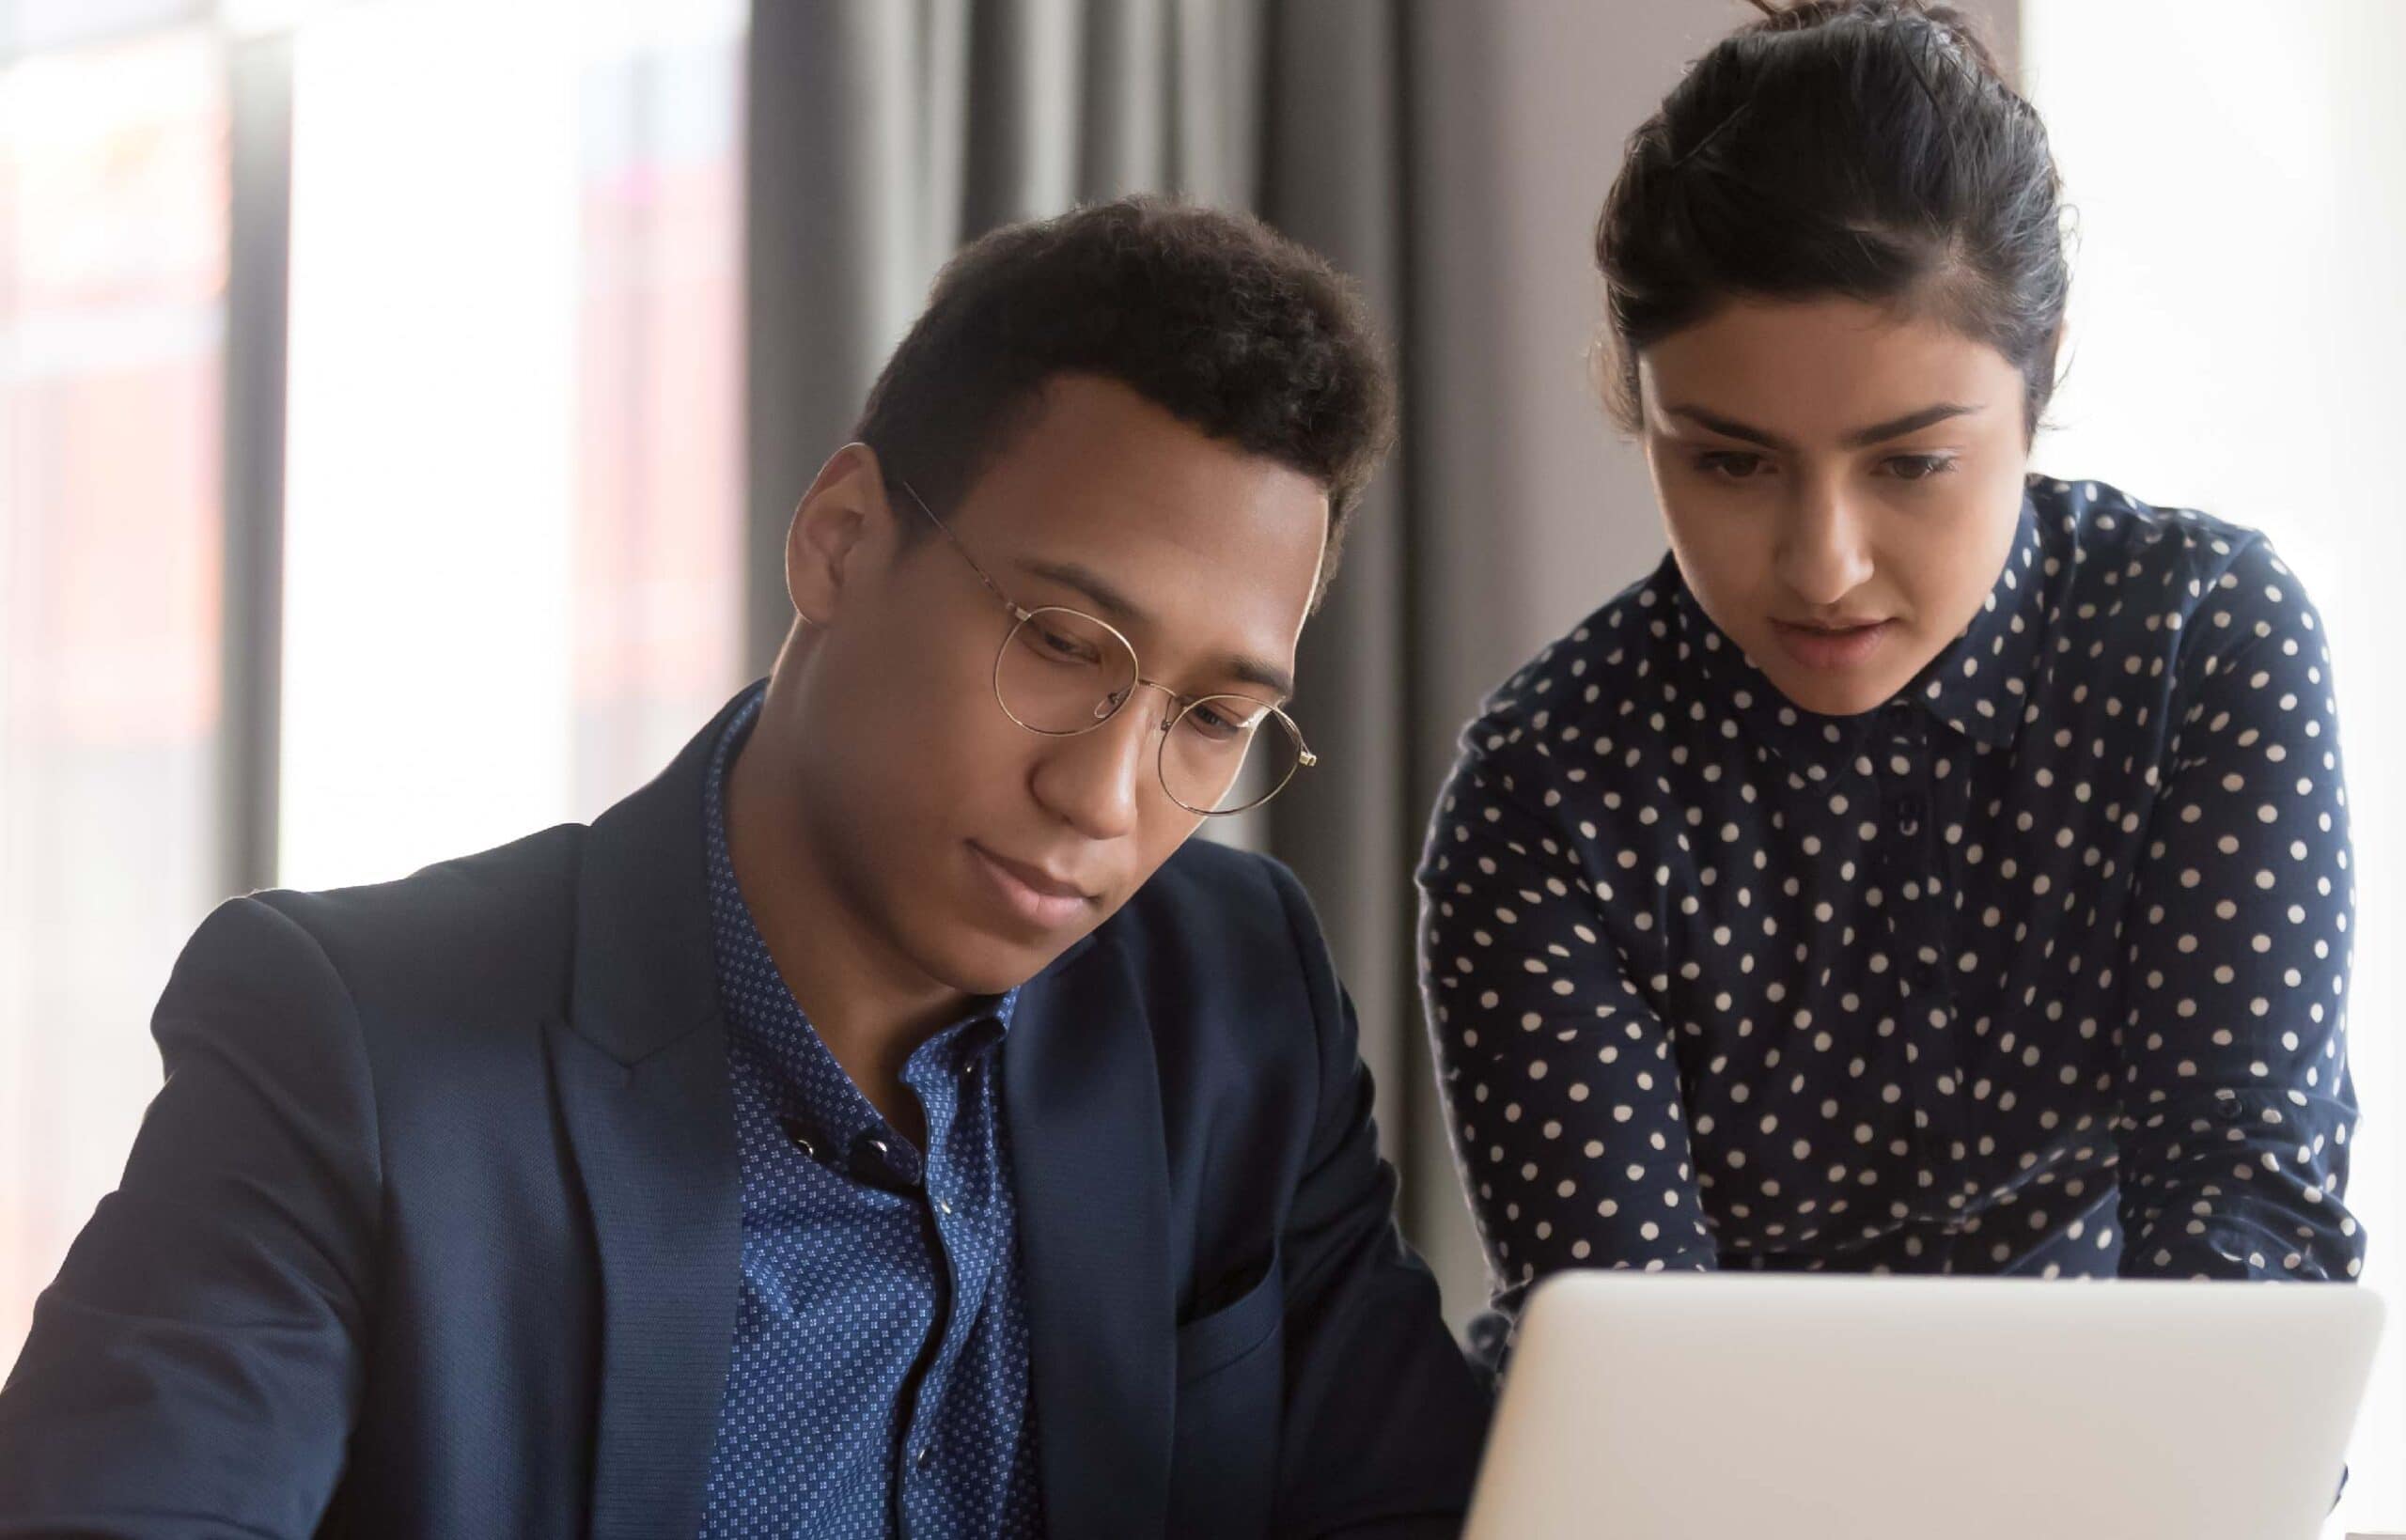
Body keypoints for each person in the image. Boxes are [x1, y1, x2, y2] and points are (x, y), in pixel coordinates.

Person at [0, 196, 1488, 1539]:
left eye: (1211, 718)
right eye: (1055, 644)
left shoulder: (1230, 993)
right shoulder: (359, 1047)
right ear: (839, 542)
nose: (1102, 796)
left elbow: (1408, 1503)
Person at [1419, 0, 2363, 1357]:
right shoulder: (1549, 794)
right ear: (1642, 410)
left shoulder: (2199, 649)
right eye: (1730, 462)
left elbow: (2246, 1240)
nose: (1823, 566)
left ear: (2041, 381)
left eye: (1912, 463)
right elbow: (1633, 1365)